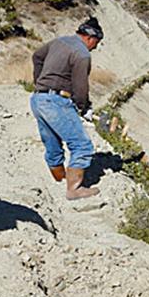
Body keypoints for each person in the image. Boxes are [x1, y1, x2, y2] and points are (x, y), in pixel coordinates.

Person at [30, 17, 104, 200]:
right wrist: (83, 107)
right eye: (97, 43)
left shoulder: (59, 41)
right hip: (56, 102)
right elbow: (80, 87)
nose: (95, 48)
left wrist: (40, 82)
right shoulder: (82, 54)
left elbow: (37, 56)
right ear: (90, 38)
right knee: (82, 146)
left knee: (52, 142)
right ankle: (74, 190)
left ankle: (59, 178)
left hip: (38, 98)